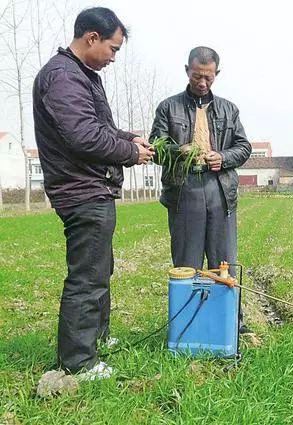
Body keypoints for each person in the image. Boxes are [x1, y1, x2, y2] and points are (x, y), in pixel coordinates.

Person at [32, 7, 154, 379]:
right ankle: (79, 362)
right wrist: (131, 154)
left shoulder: (81, 75)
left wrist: (128, 137)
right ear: (91, 39)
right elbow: (83, 136)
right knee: (87, 276)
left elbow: (100, 127)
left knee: (100, 269)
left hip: (93, 188)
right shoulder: (63, 77)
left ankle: (96, 336)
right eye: (113, 49)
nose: (114, 58)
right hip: (80, 190)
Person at [149, 46, 252, 331]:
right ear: (187, 71)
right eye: (197, 76)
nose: (202, 83)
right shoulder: (168, 108)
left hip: (220, 191)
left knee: (225, 261)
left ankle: (233, 325)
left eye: (208, 77)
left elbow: (244, 148)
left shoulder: (229, 110)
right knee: (187, 262)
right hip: (185, 191)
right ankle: (187, 326)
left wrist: (223, 157)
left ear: (216, 74)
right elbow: (155, 149)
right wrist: (177, 150)